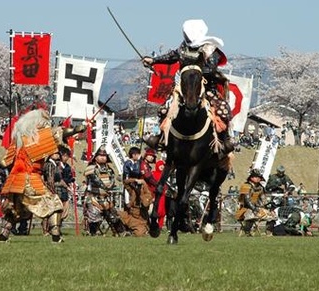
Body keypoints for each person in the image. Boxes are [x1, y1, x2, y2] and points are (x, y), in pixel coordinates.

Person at [142, 19, 233, 154]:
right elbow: (172, 56)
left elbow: (211, 69)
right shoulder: (184, 47)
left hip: (205, 87)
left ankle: (225, 139)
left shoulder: (210, 48)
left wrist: (194, 71)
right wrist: (154, 60)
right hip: (184, 87)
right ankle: (160, 137)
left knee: (223, 109)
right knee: (165, 108)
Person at [0, 109, 80, 243]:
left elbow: (3, 161)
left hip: (15, 181)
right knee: (54, 204)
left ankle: (4, 234)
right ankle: (55, 234)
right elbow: (58, 132)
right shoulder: (38, 137)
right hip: (31, 179)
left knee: (16, 210)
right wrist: (75, 130)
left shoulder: (18, 141)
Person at [83, 146, 127, 236]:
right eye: (100, 155)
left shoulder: (109, 169)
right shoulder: (91, 168)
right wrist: (105, 186)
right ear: (96, 157)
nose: (103, 157)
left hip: (106, 197)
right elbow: (95, 179)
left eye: (104, 156)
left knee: (113, 215)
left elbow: (112, 180)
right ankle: (93, 232)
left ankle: (121, 232)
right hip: (93, 197)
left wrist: (109, 186)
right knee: (94, 214)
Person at [235, 169, 275, 236]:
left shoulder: (260, 187)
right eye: (257, 177)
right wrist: (254, 209)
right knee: (251, 215)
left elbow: (263, 200)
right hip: (244, 209)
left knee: (273, 216)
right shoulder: (246, 186)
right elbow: (247, 201)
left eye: (259, 177)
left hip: (257, 208)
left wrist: (268, 208)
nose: (258, 178)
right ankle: (247, 231)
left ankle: (268, 232)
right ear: (251, 177)